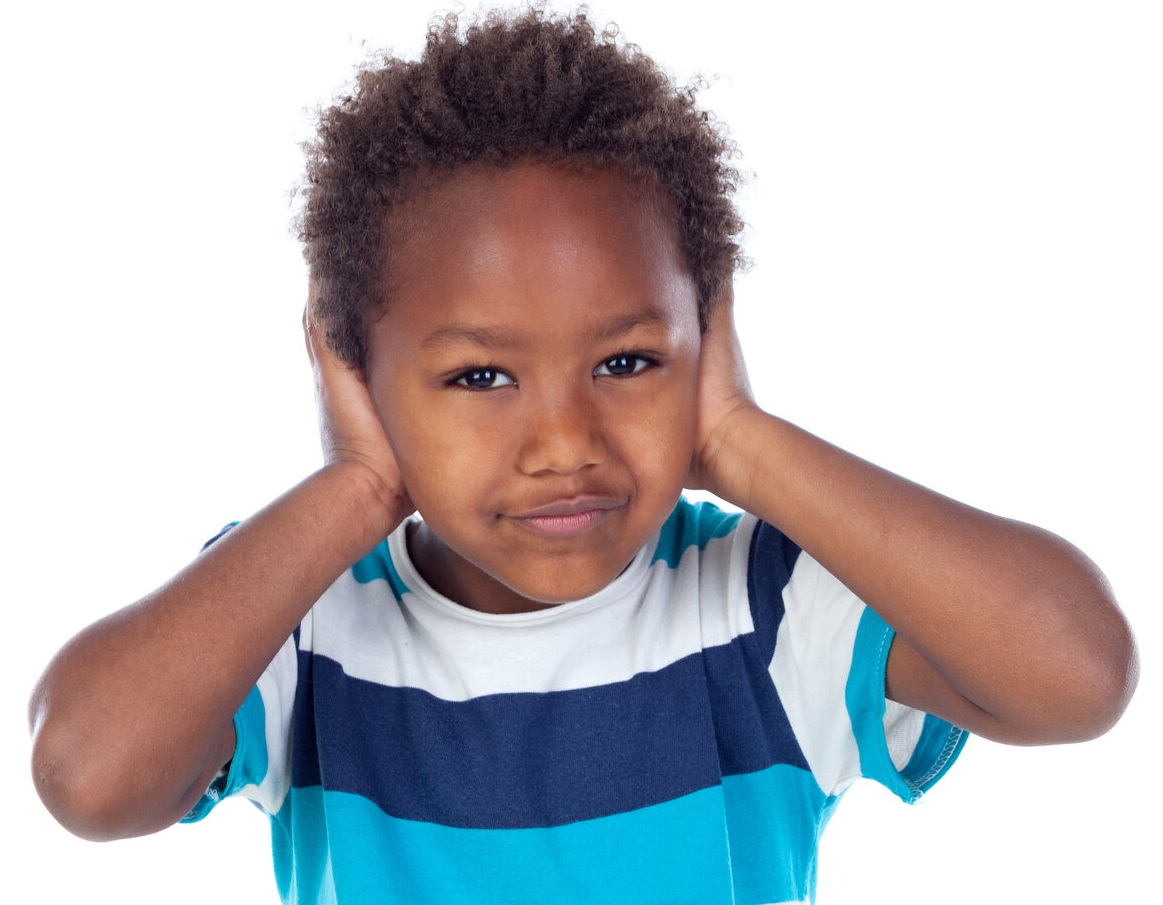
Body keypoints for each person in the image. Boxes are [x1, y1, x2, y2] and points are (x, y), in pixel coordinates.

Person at [27, 8, 1138, 905]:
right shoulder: (305, 617)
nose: (564, 443)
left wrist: (739, 440)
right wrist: (358, 483)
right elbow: (88, 773)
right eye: (479, 377)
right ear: (352, 367)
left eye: (624, 361)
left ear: (707, 334)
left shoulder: (763, 606)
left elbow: (1075, 672)